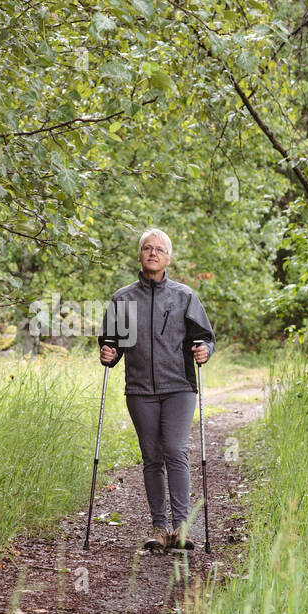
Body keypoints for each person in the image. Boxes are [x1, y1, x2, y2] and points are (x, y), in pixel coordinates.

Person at [98, 228, 216, 552]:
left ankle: (182, 527)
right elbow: (112, 344)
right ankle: (159, 527)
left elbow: (205, 337)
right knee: (151, 457)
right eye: (147, 248)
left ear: (168, 257)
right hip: (140, 390)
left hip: (179, 386)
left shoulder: (185, 297)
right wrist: (108, 353)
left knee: (175, 450)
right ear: (140, 255)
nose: (153, 253)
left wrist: (205, 349)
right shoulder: (123, 299)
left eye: (159, 249)